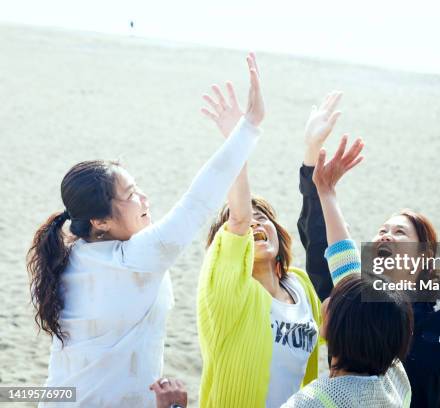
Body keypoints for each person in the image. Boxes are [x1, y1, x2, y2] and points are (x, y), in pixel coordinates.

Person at [26, 53, 264, 407]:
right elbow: (198, 201)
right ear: (100, 221)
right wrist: (250, 125)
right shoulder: (135, 258)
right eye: (130, 195)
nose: (144, 199)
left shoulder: (65, 258)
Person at [297, 97, 440, 407]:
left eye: (399, 232)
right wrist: (313, 164)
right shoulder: (351, 300)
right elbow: (320, 238)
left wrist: (326, 188)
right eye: (382, 230)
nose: (385, 236)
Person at [197, 84, 333, 407]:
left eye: (264, 218)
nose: (255, 223)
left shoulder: (300, 286)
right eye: (246, 221)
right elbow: (240, 220)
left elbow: (318, 240)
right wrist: (239, 137)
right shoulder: (226, 293)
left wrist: (312, 151)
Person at [282, 137, 412, 407]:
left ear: (340, 328)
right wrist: (326, 193)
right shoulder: (395, 379)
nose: (326, 300)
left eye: (334, 300)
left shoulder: (313, 401)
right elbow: (349, 271)